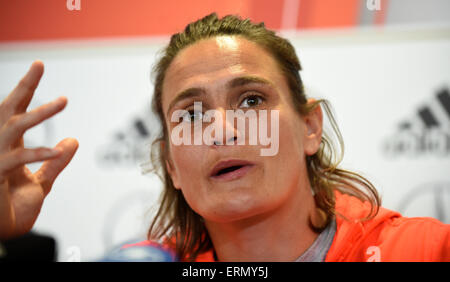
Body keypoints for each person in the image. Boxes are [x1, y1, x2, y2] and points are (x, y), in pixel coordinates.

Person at [0, 13, 448, 262]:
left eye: (251, 100)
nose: (222, 131)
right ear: (171, 165)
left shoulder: (427, 251)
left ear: (310, 127)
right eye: (191, 114)